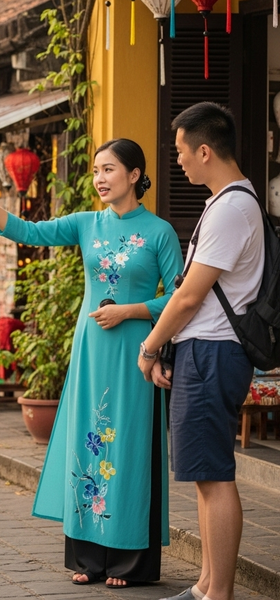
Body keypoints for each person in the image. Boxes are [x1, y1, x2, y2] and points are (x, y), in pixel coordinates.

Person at [0, 138, 182, 588]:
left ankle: (130, 561)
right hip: (91, 350)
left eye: (109, 170)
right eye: (95, 171)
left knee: (128, 446)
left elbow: (179, 296)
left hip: (136, 353)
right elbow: (29, 232)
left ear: (134, 175)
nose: (99, 179)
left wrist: (130, 311)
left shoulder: (159, 232)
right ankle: (88, 557)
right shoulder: (86, 223)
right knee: (88, 442)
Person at [137, 102, 264, 600]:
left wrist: (150, 347)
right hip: (206, 351)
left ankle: (219, 593)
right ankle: (207, 585)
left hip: (213, 352)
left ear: (205, 150)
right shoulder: (228, 202)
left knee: (213, 476)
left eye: (181, 151)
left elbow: (190, 295)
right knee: (204, 475)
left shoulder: (231, 208)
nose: (179, 160)